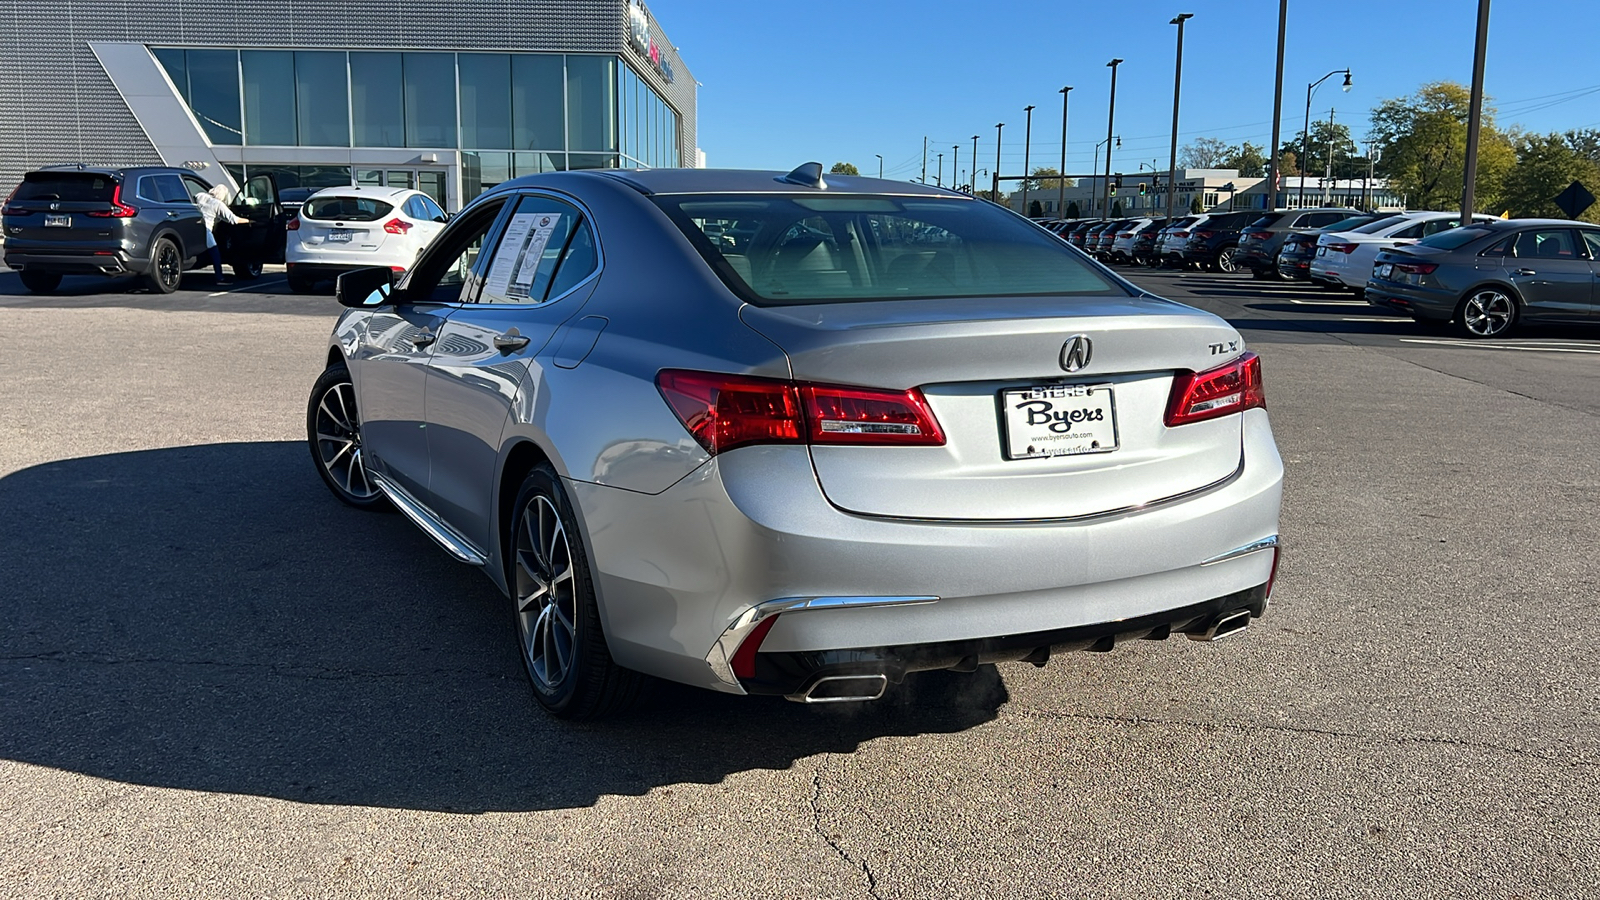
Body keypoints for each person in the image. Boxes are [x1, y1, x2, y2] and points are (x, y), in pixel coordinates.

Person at [196, 184, 249, 285]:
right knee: (215, 253)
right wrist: (249, 221)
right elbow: (233, 219)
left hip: (195, 228)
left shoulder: (200, 196)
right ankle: (219, 278)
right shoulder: (218, 204)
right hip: (207, 230)